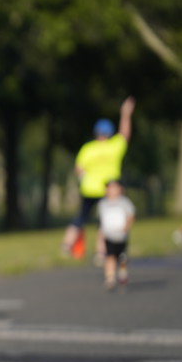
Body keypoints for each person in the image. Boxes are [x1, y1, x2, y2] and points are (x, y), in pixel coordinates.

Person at [61, 97, 135, 259]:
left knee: (80, 218)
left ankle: (66, 245)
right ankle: (101, 252)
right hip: (108, 190)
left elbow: (78, 169)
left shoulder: (88, 148)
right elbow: (125, 134)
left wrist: (85, 176)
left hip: (88, 188)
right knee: (104, 222)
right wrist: (125, 114)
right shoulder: (114, 146)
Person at [97, 180, 135, 291]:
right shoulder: (103, 204)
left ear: (120, 189)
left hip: (121, 236)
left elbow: (131, 215)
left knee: (122, 258)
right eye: (109, 188)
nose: (112, 191)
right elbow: (102, 221)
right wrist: (100, 237)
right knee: (110, 257)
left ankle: (122, 274)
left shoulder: (124, 202)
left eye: (114, 188)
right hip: (109, 235)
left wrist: (126, 227)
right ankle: (110, 278)